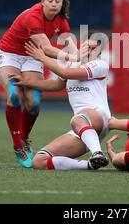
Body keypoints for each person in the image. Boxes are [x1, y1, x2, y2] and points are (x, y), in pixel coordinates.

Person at [0, 0, 79, 168]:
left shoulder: (61, 20)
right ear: (42, 2)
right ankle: (17, 145)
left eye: (58, 0)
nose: (54, 4)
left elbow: (69, 43)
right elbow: (46, 48)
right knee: (15, 95)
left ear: (62, 3)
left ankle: (24, 138)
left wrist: (79, 57)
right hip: (10, 54)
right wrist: (71, 56)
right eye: (50, 0)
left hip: (32, 57)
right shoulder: (33, 16)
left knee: (33, 103)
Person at [10, 32, 110, 170]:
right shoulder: (72, 63)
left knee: (77, 119)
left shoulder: (99, 65)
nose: (90, 50)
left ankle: (97, 153)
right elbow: (55, 85)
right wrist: (27, 82)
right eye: (88, 46)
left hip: (98, 117)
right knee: (39, 161)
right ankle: (91, 164)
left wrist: (42, 57)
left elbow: (66, 74)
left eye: (94, 48)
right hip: (83, 129)